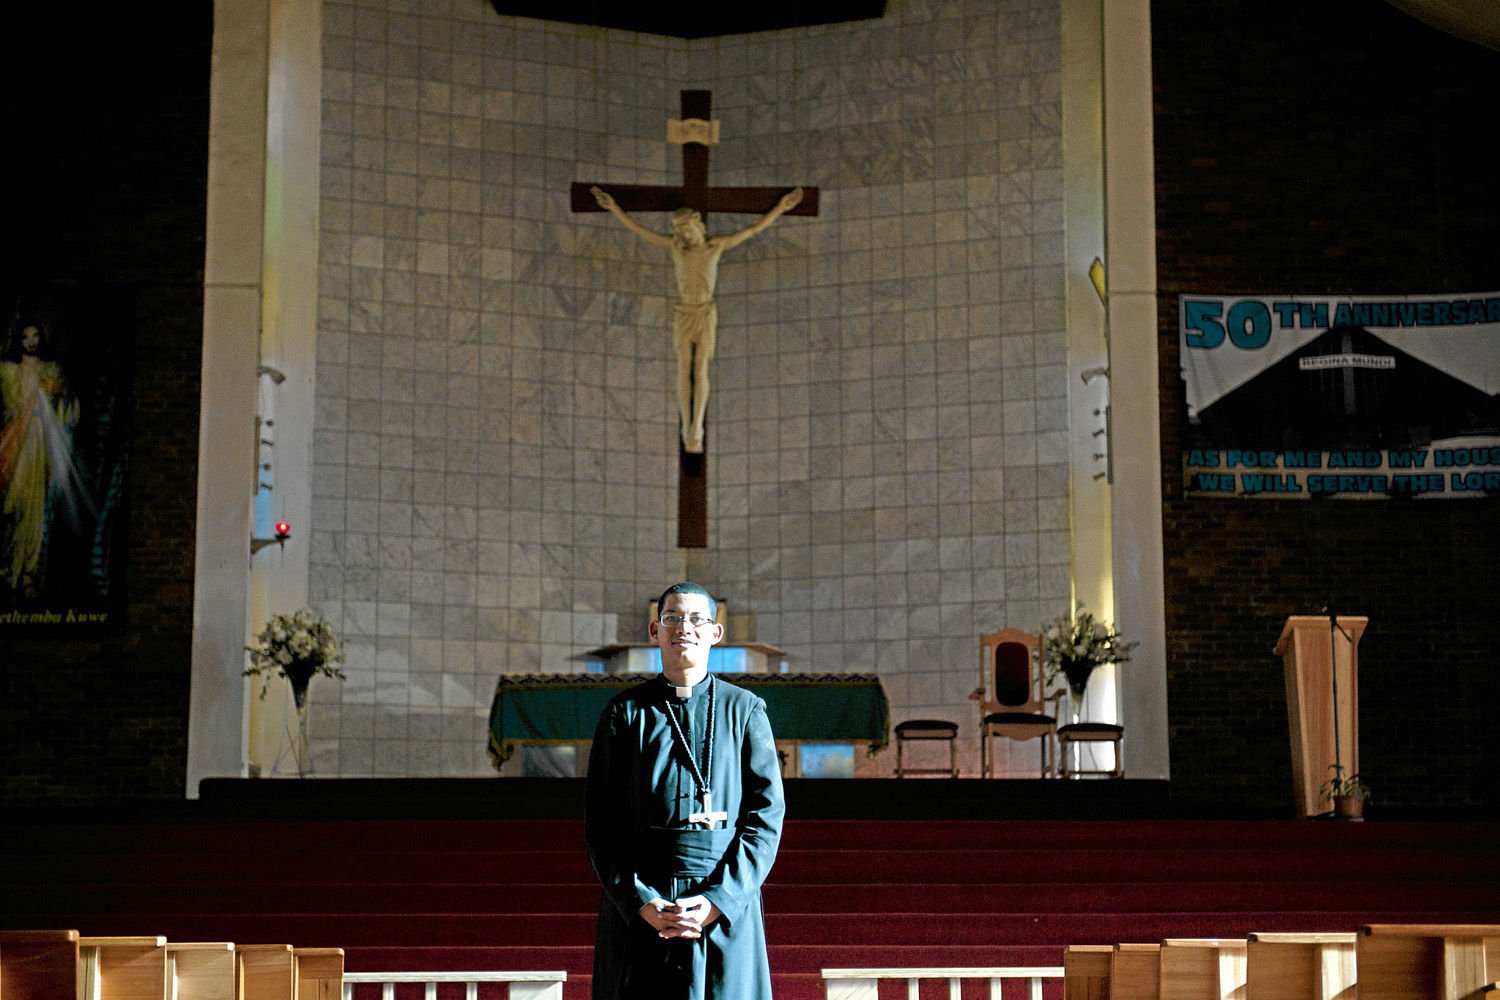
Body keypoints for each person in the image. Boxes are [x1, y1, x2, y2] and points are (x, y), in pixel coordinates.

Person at [584, 581, 784, 1000]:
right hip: (645, 908)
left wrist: (720, 899)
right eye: (672, 618)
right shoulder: (624, 713)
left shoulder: (745, 710)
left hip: (724, 903)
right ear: (655, 631)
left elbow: (765, 820)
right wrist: (641, 901)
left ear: (715, 633)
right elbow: (602, 824)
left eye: (696, 619)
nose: (684, 628)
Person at [590, 186, 803, 454]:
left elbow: (753, 230)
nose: (683, 236)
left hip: (704, 313)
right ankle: (685, 425)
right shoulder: (675, 248)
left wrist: (780, 209)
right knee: (684, 366)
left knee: (701, 365)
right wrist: (614, 209)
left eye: (686, 230)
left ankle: (696, 427)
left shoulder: (716, 246)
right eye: (679, 232)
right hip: (684, 312)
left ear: (698, 225)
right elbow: (639, 231)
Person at [0, 314, 80, 599]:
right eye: (25, 336)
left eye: (35, 336)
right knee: (12, 504)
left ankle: (29, 575)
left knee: (36, 511)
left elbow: (67, 411)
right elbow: (11, 405)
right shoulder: (8, 370)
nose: (31, 342)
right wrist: (35, 401)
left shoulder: (51, 370)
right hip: (16, 443)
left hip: (41, 445)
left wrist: (58, 395)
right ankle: (9, 570)